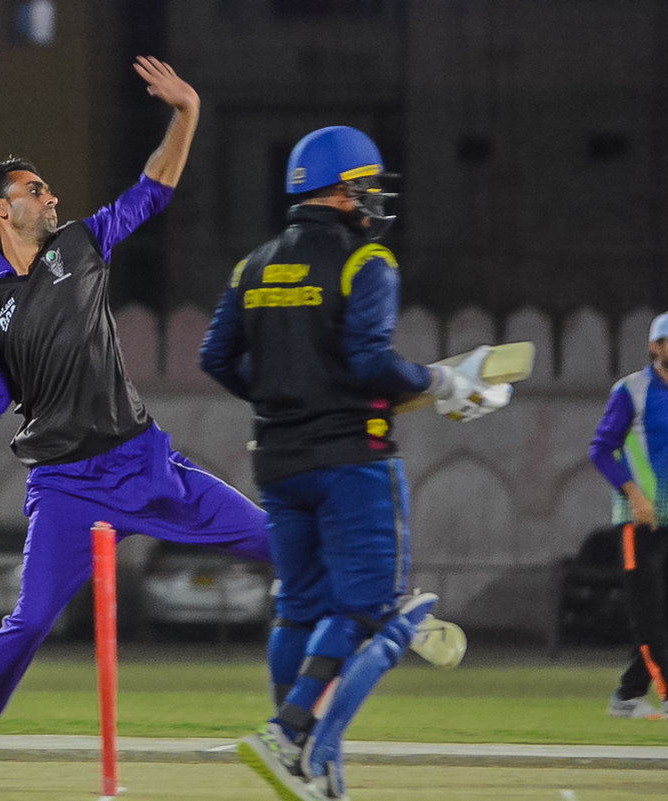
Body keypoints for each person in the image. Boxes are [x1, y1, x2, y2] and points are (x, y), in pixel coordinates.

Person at [0, 56, 277, 790]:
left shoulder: (79, 247)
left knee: (280, 541)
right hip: (67, 489)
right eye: (35, 190)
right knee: (30, 621)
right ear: (2, 210)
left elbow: (152, 190)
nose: (51, 196)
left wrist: (186, 112)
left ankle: (352, 653)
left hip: (146, 464)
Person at [200, 126, 504, 800]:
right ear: (342, 192)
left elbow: (215, 358)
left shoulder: (252, 266)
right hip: (352, 457)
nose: (373, 199)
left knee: (297, 611)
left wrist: (284, 397)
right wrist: (441, 382)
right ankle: (292, 735)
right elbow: (369, 361)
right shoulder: (366, 261)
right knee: (374, 613)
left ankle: (304, 760)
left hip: (279, 459)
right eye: (366, 186)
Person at [589, 311, 668, 720]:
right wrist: (632, 493)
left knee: (664, 615)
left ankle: (627, 696)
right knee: (648, 613)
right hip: (640, 520)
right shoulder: (632, 390)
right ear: (655, 347)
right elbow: (600, 450)